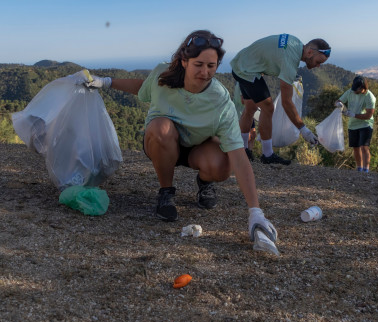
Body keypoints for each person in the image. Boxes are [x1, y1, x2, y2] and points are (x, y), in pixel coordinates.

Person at [83, 30, 278, 247]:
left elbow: (239, 156)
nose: (205, 72)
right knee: (160, 128)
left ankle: (205, 182)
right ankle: (166, 192)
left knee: (224, 165)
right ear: (185, 61)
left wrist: (255, 211)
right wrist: (107, 82)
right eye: (199, 64)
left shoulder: (221, 102)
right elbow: (143, 87)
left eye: (211, 66)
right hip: (162, 142)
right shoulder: (162, 75)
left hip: (199, 147)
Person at [230, 34, 331, 165]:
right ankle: (267, 155)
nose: (318, 66)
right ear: (310, 52)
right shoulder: (291, 60)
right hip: (247, 71)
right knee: (268, 108)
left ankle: (242, 150)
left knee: (250, 108)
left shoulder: (296, 42)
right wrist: (303, 130)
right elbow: (286, 102)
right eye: (318, 62)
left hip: (240, 63)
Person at [336, 75, 376, 172]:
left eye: (357, 90)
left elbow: (368, 115)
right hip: (353, 125)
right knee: (356, 147)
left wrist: (353, 115)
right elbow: (339, 100)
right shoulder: (350, 92)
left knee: (364, 146)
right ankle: (359, 168)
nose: (354, 91)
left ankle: (366, 169)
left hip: (365, 124)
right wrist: (339, 104)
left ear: (363, 88)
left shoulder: (369, 97)